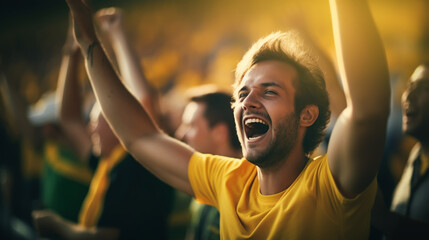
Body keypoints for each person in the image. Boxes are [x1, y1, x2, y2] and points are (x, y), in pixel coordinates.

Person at [66, 0, 390, 238]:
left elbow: (368, 110)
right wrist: (88, 42)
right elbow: (139, 137)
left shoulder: (332, 185)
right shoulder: (228, 181)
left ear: (306, 114)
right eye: (244, 93)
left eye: (270, 92)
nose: (248, 101)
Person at [32, 11, 174, 240]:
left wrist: (57, 226)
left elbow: (108, 236)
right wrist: (72, 50)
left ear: (120, 124)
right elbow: (68, 119)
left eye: (95, 121)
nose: (90, 128)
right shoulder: (107, 164)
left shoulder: (138, 164)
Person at [174, 87, 242, 240]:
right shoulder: (204, 180)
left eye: (190, 125)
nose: (180, 134)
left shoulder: (243, 193)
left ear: (219, 133)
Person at [371, 63, 429, 239]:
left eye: (423, 88)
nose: (408, 95)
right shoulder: (417, 156)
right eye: (410, 86)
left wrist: (383, 218)